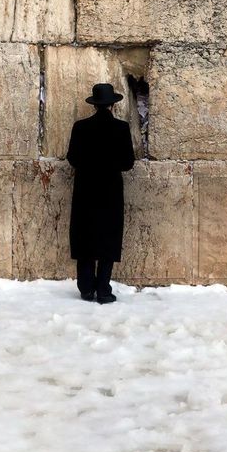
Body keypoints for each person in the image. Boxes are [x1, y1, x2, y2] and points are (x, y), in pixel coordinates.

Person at [65, 83, 136, 304]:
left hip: (85, 189)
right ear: (113, 105)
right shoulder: (121, 129)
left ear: (94, 105)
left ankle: (86, 288)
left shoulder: (80, 127)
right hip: (110, 191)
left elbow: (73, 159)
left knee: (85, 236)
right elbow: (128, 163)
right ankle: (104, 289)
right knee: (108, 237)